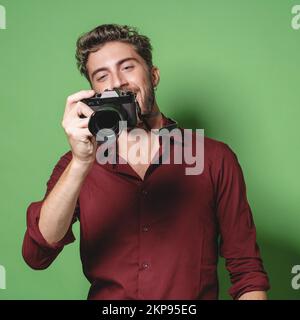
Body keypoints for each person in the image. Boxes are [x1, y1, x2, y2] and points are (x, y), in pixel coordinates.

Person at [22, 24, 270, 300]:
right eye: (102, 76)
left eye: (127, 67)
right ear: (93, 94)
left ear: (153, 75)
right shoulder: (75, 164)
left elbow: (247, 272)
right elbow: (37, 253)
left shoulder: (214, 158)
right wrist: (81, 163)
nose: (116, 83)